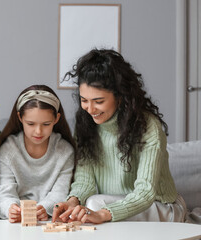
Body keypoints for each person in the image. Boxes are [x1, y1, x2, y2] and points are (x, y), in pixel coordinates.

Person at [52, 49, 187, 224]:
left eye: (99, 101)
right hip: (111, 205)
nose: (90, 109)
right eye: (84, 100)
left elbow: (145, 192)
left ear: (121, 97)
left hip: (161, 207)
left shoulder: (148, 126)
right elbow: (85, 181)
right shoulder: (86, 125)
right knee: (86, 209)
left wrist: (102, 213)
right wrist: (72, 201)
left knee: (93, 205)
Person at [0, 85, 75, 223]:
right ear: (20, 117)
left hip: (51, 220)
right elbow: (5, 192)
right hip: (14, 223)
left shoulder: (65, 151)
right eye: (31, 124)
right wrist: (11, 209)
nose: (38, 131)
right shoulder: (8, 150)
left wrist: (44, 208)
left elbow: (60, 192)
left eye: (46, 124)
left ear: (56, 119)